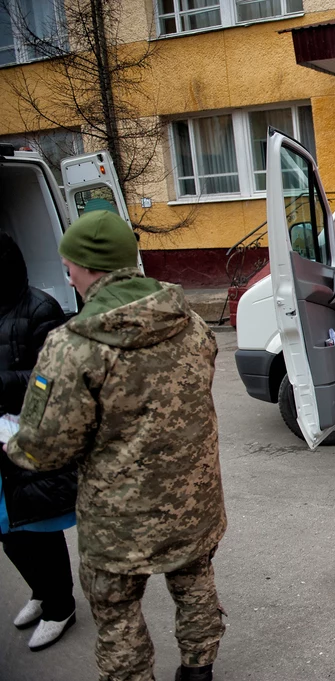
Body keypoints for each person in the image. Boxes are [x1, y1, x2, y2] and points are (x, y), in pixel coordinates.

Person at [4, 211, 228, 681]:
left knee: (116, 607)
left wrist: (15, 444)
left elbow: (44, 450)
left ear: (89, 269)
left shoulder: (72, 345)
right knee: (195, 582)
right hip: (195, 498)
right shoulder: (188, 319)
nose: (68, 277)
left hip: (118, 518)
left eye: (71, 267)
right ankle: (198, 670)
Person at [0, 232, 78, 652]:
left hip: (26, 431)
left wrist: (4, 384)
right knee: (7, 529)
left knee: (36, 523)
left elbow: (51, 378)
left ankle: (60, 605)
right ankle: (40, 591)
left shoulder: (39, 308)